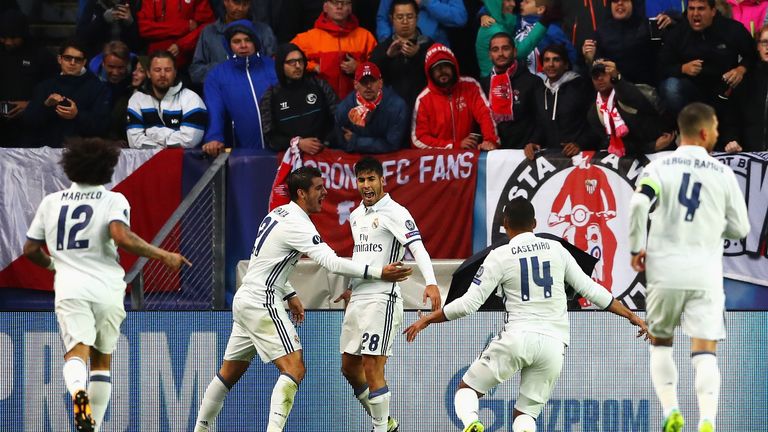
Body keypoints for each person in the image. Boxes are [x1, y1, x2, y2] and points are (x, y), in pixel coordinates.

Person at [193, 166, 412, 432]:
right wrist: (379, 272)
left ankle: (201, 428)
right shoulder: (298, 224)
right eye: (319, 188)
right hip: (262, 300)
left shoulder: (277, 213)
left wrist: (290, 293)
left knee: (228, 373)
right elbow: (331, 262)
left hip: (246, 298)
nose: (325, 193)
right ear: (301, 193)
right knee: (294, 368)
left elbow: (266, 262)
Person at [404, 196, 648, 432]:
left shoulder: (499, 256)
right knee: (525, 414)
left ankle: (471, 424)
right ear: (534, 224)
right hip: (554, 344)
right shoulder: (557, 249)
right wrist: (633, 316)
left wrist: (428, 318)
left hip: (517, 337)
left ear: (504, 225)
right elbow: (592, 290)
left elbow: (469, 304)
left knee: (466, 389)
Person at [23, 137, 190, 432]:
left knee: (77, 351)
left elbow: (30, 250)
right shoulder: (113, 200)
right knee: (102, 361)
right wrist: (164, 255)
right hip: (107, 287)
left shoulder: (51, 203)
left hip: (70, 286)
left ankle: (78, 394)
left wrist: (53, 265)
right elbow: (121, 236)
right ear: (107, 168)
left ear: (70, 167)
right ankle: (94, 426)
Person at [629, 102, 750, 432]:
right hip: (704, 274)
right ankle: (708, 419)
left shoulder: (658, 168)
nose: (719, 134)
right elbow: (740, 229)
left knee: (661, 342)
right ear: (703, 132)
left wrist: (636, 246)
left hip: (665, 271)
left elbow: (639, 203)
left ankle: (671, 410)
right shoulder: (723, 173)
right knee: (704, 351)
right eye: (716, 129)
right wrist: (712, 226)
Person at [335, 156, 441, 432]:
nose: (366, 185)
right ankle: (387, 423)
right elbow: (362, 254)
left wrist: (430, 282)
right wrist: (351, 286)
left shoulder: (396, 212)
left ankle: (380, 428)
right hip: (359, 298)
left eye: (371, 179)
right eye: (361, 180)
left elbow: (417, 248)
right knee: (349, 367)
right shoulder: (356, 216)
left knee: (372, 367)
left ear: (383, 180)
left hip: (382, 300)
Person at [657, 0, 756, 122]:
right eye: (691, 9)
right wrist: (682, 68)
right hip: (693, 90)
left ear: (713, 11)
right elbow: (661, 66)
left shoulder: (732, 29)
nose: (695, 13)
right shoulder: (678, 32)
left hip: (725, 87)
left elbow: (753, 54)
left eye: (701, 9)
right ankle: (689, 127)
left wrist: (741, 69)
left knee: (747, 82)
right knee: (670, 87)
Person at [201, 20, 278, 156]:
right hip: (241, 154)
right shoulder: (217, 75)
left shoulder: (274, 67)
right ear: (229, 45)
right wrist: (214, 137)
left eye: (247, 40)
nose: (243, 45)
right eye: (236, 41)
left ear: (256, 41)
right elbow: (215, 110)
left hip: (280, 150)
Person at [23, 39, 110, 148]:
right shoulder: (45, 86)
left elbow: (102, 125)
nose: (72, 63)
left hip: (82, 154)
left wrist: (77, 115)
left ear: (84, 62)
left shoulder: (98, 88)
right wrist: (46, 106)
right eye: (68, 58)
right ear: (59, 59)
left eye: (78, 59)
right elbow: (29, 121)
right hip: (47, 152)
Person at [411, 43, 499, 150]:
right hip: (437, 162)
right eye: (437, 68)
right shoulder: (423, 99)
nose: (442, 71)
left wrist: (490, 140)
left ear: (454, 67)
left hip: (467, 158)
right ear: (430, 72)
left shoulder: (471, 86)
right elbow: (418, 139)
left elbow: (485, 115)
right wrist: (453, 145)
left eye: (446, 66)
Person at [585, 59, 675, 156]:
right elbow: (614, 145)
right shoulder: (594, 114)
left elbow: (632, 97)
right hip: (635, 158)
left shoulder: (630, 91)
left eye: (604, 73)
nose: (600, 78)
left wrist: (617, 79)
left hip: (665, 147)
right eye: (595, 76)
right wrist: (652, 147)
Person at [291, 0, 378, 99]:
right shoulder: (308, 38)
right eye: (335, 2)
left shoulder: (365, 37)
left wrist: (359, 68)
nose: (339, 6)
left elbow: (379, 68)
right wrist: (312, 67)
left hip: (357, 104)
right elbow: (284, 60)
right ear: (325, 7)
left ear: (350, 8)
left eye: (344, 2)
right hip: (319, 102)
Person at [260, 43, 338, 153]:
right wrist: (297, 143)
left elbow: (337, 118)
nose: (297, 66)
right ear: (281, 65)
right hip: (289, 159)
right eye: (291, 62)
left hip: (324, 154)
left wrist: (325, 142)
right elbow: (270, 137)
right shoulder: (271, 95)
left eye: (300, 61)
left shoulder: (319, 85)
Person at [126, 51, 208, 149]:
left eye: (168, 70)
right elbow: (134, 142)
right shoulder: (137, 99)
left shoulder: (191, 99)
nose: (162, 74)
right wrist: (165, 144)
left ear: (175, 72)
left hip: (183, 162)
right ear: (148, 73)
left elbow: (189, 141)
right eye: (157, 70)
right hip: (147, 162)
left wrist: (153, 133)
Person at [0, 9, 57, 147]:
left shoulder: (42, 55)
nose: (8, 42)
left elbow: (54, 89)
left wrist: (30, 105)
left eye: (13, 38)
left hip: (31, 128)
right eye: (3, 37)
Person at [525, 44, 593, 160]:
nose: (551, 64)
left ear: (566, 64)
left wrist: (580, 144)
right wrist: (533, 142)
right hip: (553, 161)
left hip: (581, 158)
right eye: (547, 60)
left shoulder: (581, 87)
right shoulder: (540, 92)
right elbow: (540, 124)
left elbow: (594, 123)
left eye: (556, 60)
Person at [369, 0, 434, 118]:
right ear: (391, 19)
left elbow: (438, 76)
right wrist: (387, 57)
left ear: (417, 18)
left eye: (409, 17)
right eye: (399, 17)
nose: (405, 22)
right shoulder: (383, 48)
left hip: (424, 109)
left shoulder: (429, 45)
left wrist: (417, 56)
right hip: (390, 112)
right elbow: (369, 77)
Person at [189, 0, 277, 85]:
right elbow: (195, 73)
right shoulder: (209, 32)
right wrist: (224, 68)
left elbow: (275, 68)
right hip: (222, 94)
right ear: (225, 1)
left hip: (260, 93)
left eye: (245, 3)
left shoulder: (264, 31)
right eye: (237, 2)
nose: (241, 8)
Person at [581, 0, 663, 86]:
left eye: (625, 0)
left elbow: (663, 57)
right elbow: (594, 72)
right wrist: (590, 60)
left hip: (642, 87)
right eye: (615, 1)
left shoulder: (648, 27)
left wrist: (672, 19)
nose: (620, 3)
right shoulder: (601, 32)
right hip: (612, 88)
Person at [481, 32, 541, 149]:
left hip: (525, 154)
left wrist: (534, 142)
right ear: (490, 55)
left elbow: (541, 119)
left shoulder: (533, 82)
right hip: (493, 154)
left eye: (505, 48)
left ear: (515, 52)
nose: (500, 54)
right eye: (495, 50)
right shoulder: (483, 84)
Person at [333, 62, 409, 153]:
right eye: (363, 82)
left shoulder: (398, 107)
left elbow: (392, 144)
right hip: (356, 160)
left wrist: (356, 141)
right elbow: (342, 144)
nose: (368, 86)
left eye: (372, 81)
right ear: (355, 84)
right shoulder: (344, 109)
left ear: (380, 83)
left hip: (388, 159)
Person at [136, 0, 215, 67]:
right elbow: (144, 28)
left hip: (186, 62)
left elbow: (207, 26)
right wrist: (184, 26)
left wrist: (182, 44)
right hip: (154, 63)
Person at [375, 0, 467, 47]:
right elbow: (382, 18)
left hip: (434, 53)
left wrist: (427, 2)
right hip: (399, 51)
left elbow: (459, 18)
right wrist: (388, 43)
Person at [76, 0, 141, 57]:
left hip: (126, 57)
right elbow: (81, 37)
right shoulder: (93, 4)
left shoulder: (131, 4)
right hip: (98, 58)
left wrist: (131, 23)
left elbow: (139, 43)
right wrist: (102, 20)